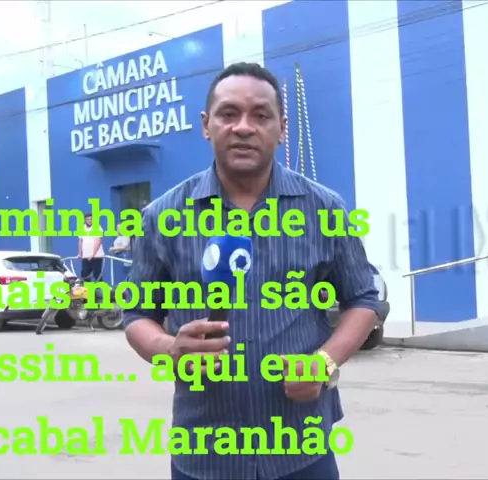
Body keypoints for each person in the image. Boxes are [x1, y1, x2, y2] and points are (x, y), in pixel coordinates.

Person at [122, 62, 380, 480]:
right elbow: (137, 314)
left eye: (261, 115)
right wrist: (170, 350)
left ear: (282, 129)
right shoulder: (162, 216)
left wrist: (324, 363)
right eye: (228, 114)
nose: (243, 127)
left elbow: (363, 298)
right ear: (206, 125)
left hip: (301, 449)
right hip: (205, 450)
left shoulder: (324, 209)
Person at [78, 212, 104, 281]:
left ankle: (100, 288)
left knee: (97, 275)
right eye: (88, 219)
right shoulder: (82, 228)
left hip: (96, 257)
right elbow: (80, 241)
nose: (89, 220)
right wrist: (80, 253)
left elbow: (98, 242)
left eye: (91, 219)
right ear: (85, 220)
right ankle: (86, 288)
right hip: (85, 256)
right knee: (84, 275)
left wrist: (92, 254)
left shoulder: (97, 227)